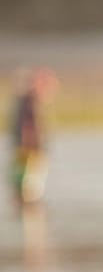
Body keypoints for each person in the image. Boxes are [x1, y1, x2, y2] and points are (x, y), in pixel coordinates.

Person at [8, 68, 56, 206]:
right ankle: (27, 214)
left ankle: (23, 212)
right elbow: (26, 128)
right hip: (30, 151)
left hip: (25, 151)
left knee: (23, 188)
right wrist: (34, 149)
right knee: (28, 190)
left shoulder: (25, 101)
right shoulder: (30, 102)